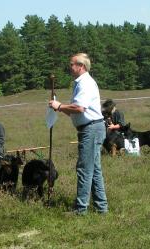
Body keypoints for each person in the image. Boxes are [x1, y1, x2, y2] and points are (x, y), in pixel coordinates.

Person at [49, 53, 108, 214]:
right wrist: (59, 108)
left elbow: (79, 108)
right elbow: (76, 111)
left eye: (72, 64)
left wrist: (59, 106)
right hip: (91, 128)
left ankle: (81, 209)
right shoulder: (80, 83)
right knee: (94, 170)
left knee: (84, 168)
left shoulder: (85, 83)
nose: (70, 67)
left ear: (80, 66)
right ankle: (101, 207)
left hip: (91, 129)